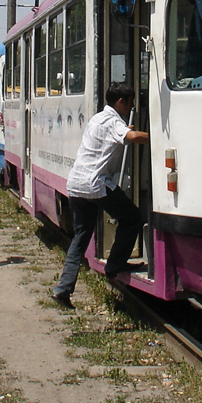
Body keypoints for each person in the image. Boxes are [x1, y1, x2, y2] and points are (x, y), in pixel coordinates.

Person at [52, 84, 149, 309]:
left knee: (81, 236)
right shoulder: (114, 121)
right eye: (130, 101)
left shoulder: (99, 118)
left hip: (76, 184)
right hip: (96, 184)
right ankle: (115, 265)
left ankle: (63, 289)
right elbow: (132, 136)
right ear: (121, 102)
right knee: (132, 218)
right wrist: (159, 138)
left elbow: (119, 135)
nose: (132, 105)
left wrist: (126, 131)